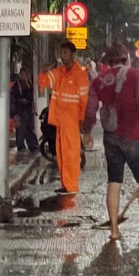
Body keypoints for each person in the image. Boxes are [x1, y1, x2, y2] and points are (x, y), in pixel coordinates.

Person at [82, 42, 139, 241]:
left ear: (108, 62)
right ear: (126, 58)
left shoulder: (98, 81)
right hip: (132, 136)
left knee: (114, 181)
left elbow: (90, 110)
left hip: (110, 137)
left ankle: (114, 230)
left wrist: (86, 132)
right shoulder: (136, 75)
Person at [46, 41, 90, 195]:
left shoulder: (80, 75)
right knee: (62, 155)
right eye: (61, 53)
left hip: (72, 122)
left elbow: (84, 100)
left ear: (73, 55)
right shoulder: (59, 72)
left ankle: (71, 186)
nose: (62, 56)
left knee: (71, 154)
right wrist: (45, 70)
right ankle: (66, 184)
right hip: (60, 121)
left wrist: (82, 121)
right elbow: (44, 81)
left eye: (65, 53)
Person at [10, 67, 40, 153]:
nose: (24, 76)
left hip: (28, 111)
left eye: (26, 74)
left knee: (30, 129)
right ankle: (21, 148)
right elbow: (13, 99)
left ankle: (33, 147)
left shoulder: (29, 84)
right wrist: (15, 113)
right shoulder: (17, 85)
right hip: (20, 111)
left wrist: (33, 107)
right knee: (21, 130)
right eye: (23, 74)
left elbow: (31, 97)